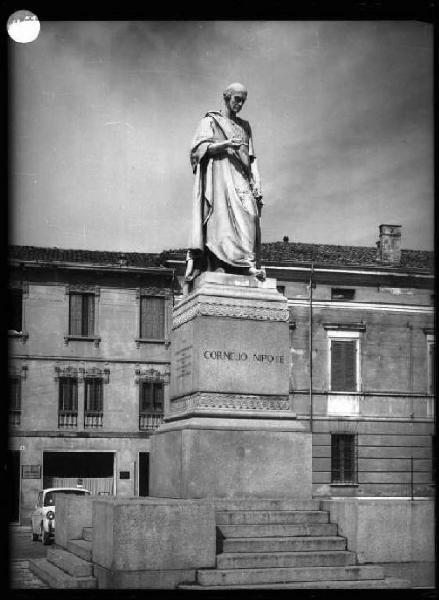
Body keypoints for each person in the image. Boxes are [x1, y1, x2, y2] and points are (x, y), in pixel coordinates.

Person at [186, 82, 265, 282]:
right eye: (237, 99)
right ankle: (222, 264)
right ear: (226, 97)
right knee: (220, 220)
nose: (240, 104)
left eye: (243, 101)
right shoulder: (210, 121)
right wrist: (225, 145)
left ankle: (247, 263)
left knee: (251, 214)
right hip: (219, 176)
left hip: (241, 175)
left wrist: (257, 182)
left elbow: (252, 157)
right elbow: (197, 151)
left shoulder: (244, 126)